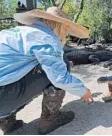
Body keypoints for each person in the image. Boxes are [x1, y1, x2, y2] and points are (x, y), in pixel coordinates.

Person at [0, 7, 94, 135]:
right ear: (58, 25)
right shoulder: (46, 38)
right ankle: (50, 119)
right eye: (66, 29)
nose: (66, 33)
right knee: (63, 64)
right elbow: (59, 78)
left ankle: (6, 120)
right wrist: (84, 91)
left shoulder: (17, 31)